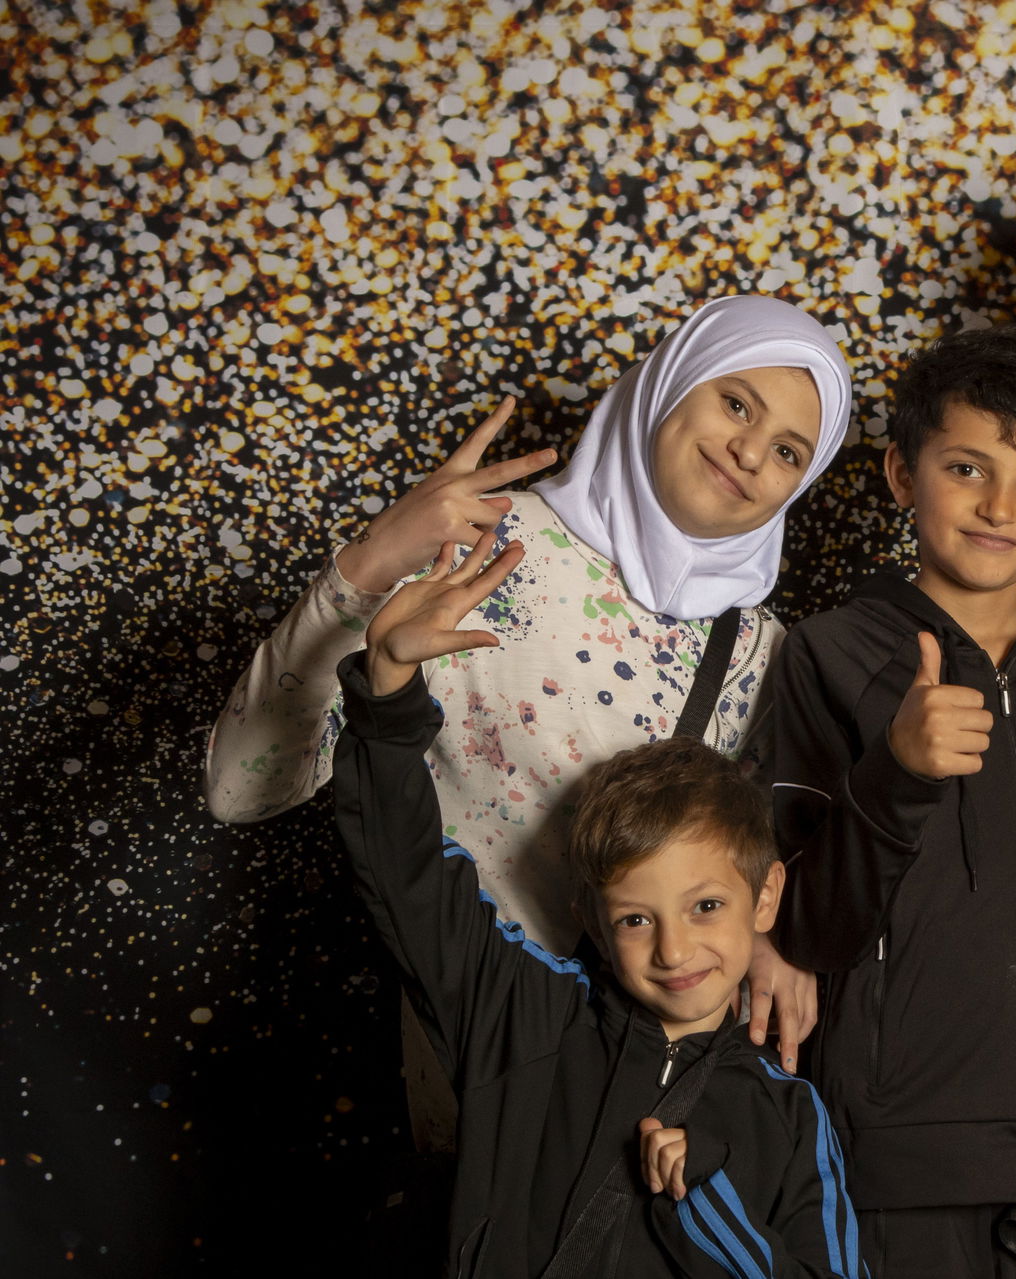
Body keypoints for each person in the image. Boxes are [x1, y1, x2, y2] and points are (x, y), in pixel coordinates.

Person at [205, 295, 852, 1150]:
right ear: (670, 382)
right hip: (485, 1051)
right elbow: (239, 790)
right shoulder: (488, 549)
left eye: (788, 452)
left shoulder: (766, 651)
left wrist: (782, 938)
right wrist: (370, 563)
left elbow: (753, 868)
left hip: (664, 1096)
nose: (748, 451)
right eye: (736, 402)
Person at [746, 326, 1016, 1278]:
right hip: (896, 1174)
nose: (999, 505)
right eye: (966, 467)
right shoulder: (827, 655)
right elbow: (803, 930)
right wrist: (897, 770)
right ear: (902, 473)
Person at [333, 530, 862, 1276]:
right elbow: (407, 876)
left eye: (706, 906)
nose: (674, 950)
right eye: (636, 919)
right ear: (594, 921)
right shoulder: (522, 1016)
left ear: (766, 894)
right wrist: (388, 688)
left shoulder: (792, 1116)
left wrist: (709, 1208)